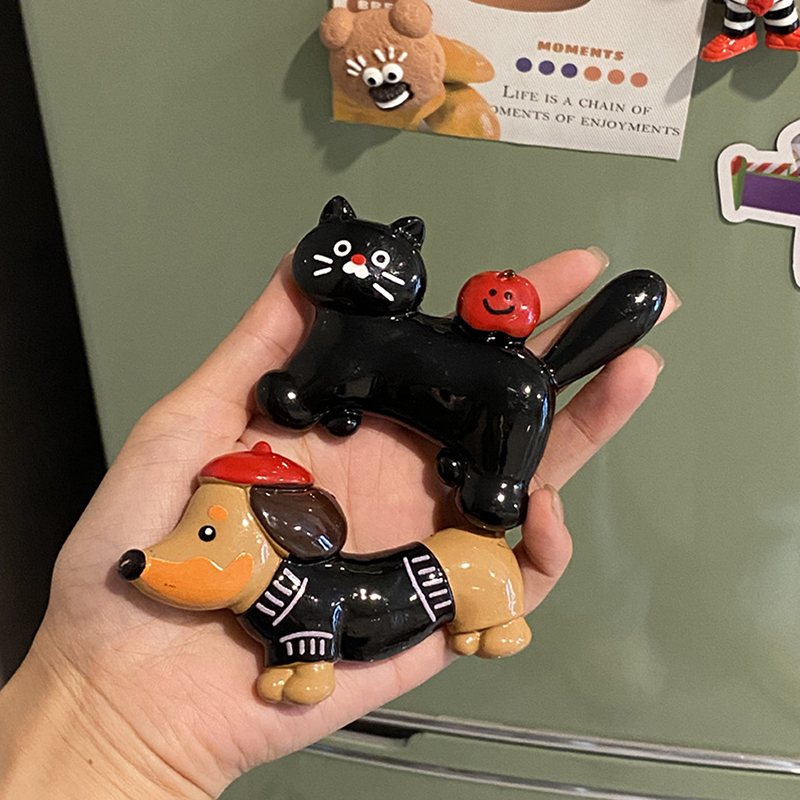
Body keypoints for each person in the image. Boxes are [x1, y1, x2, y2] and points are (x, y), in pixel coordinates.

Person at [0, 246, 676, 799]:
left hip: (462, 521)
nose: (355, 266)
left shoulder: (295, 590)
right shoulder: (276, 593)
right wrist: (110, 725)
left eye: (206, 534)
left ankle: (493, 610)